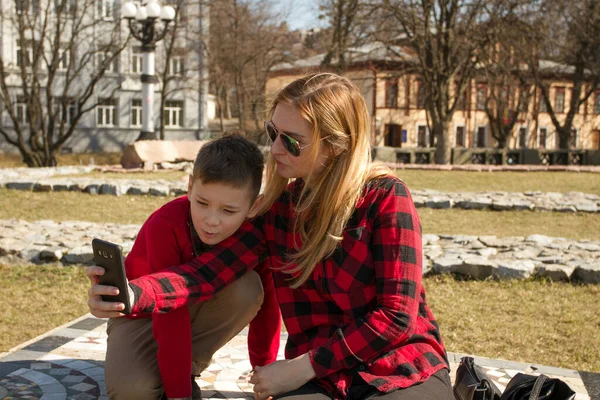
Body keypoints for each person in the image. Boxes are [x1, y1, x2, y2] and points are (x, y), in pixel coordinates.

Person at [88, 73, 452, 400]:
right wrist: (135, 293)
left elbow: (394, 317)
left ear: (335, 146)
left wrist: (302, 367)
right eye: (272, 133)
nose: (275, 149)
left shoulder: (386, 198)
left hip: (397, 365)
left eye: (292, 142)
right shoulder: (278, 211)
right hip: (321, 378)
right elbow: (204, 274)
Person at [101, 134, 281, 400]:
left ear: (254, 206)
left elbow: (268, 308)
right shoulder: (165, 224)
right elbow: (170, 315)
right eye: (202, 203)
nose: (211, 220)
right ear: (189, 187)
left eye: (228, 211)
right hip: (139, 315)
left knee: (248, 288)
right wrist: (179, 396)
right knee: (132, 392)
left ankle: (186, 368)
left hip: (196, 309)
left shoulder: (254, 234)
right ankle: (170, 376)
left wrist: (265, 372)